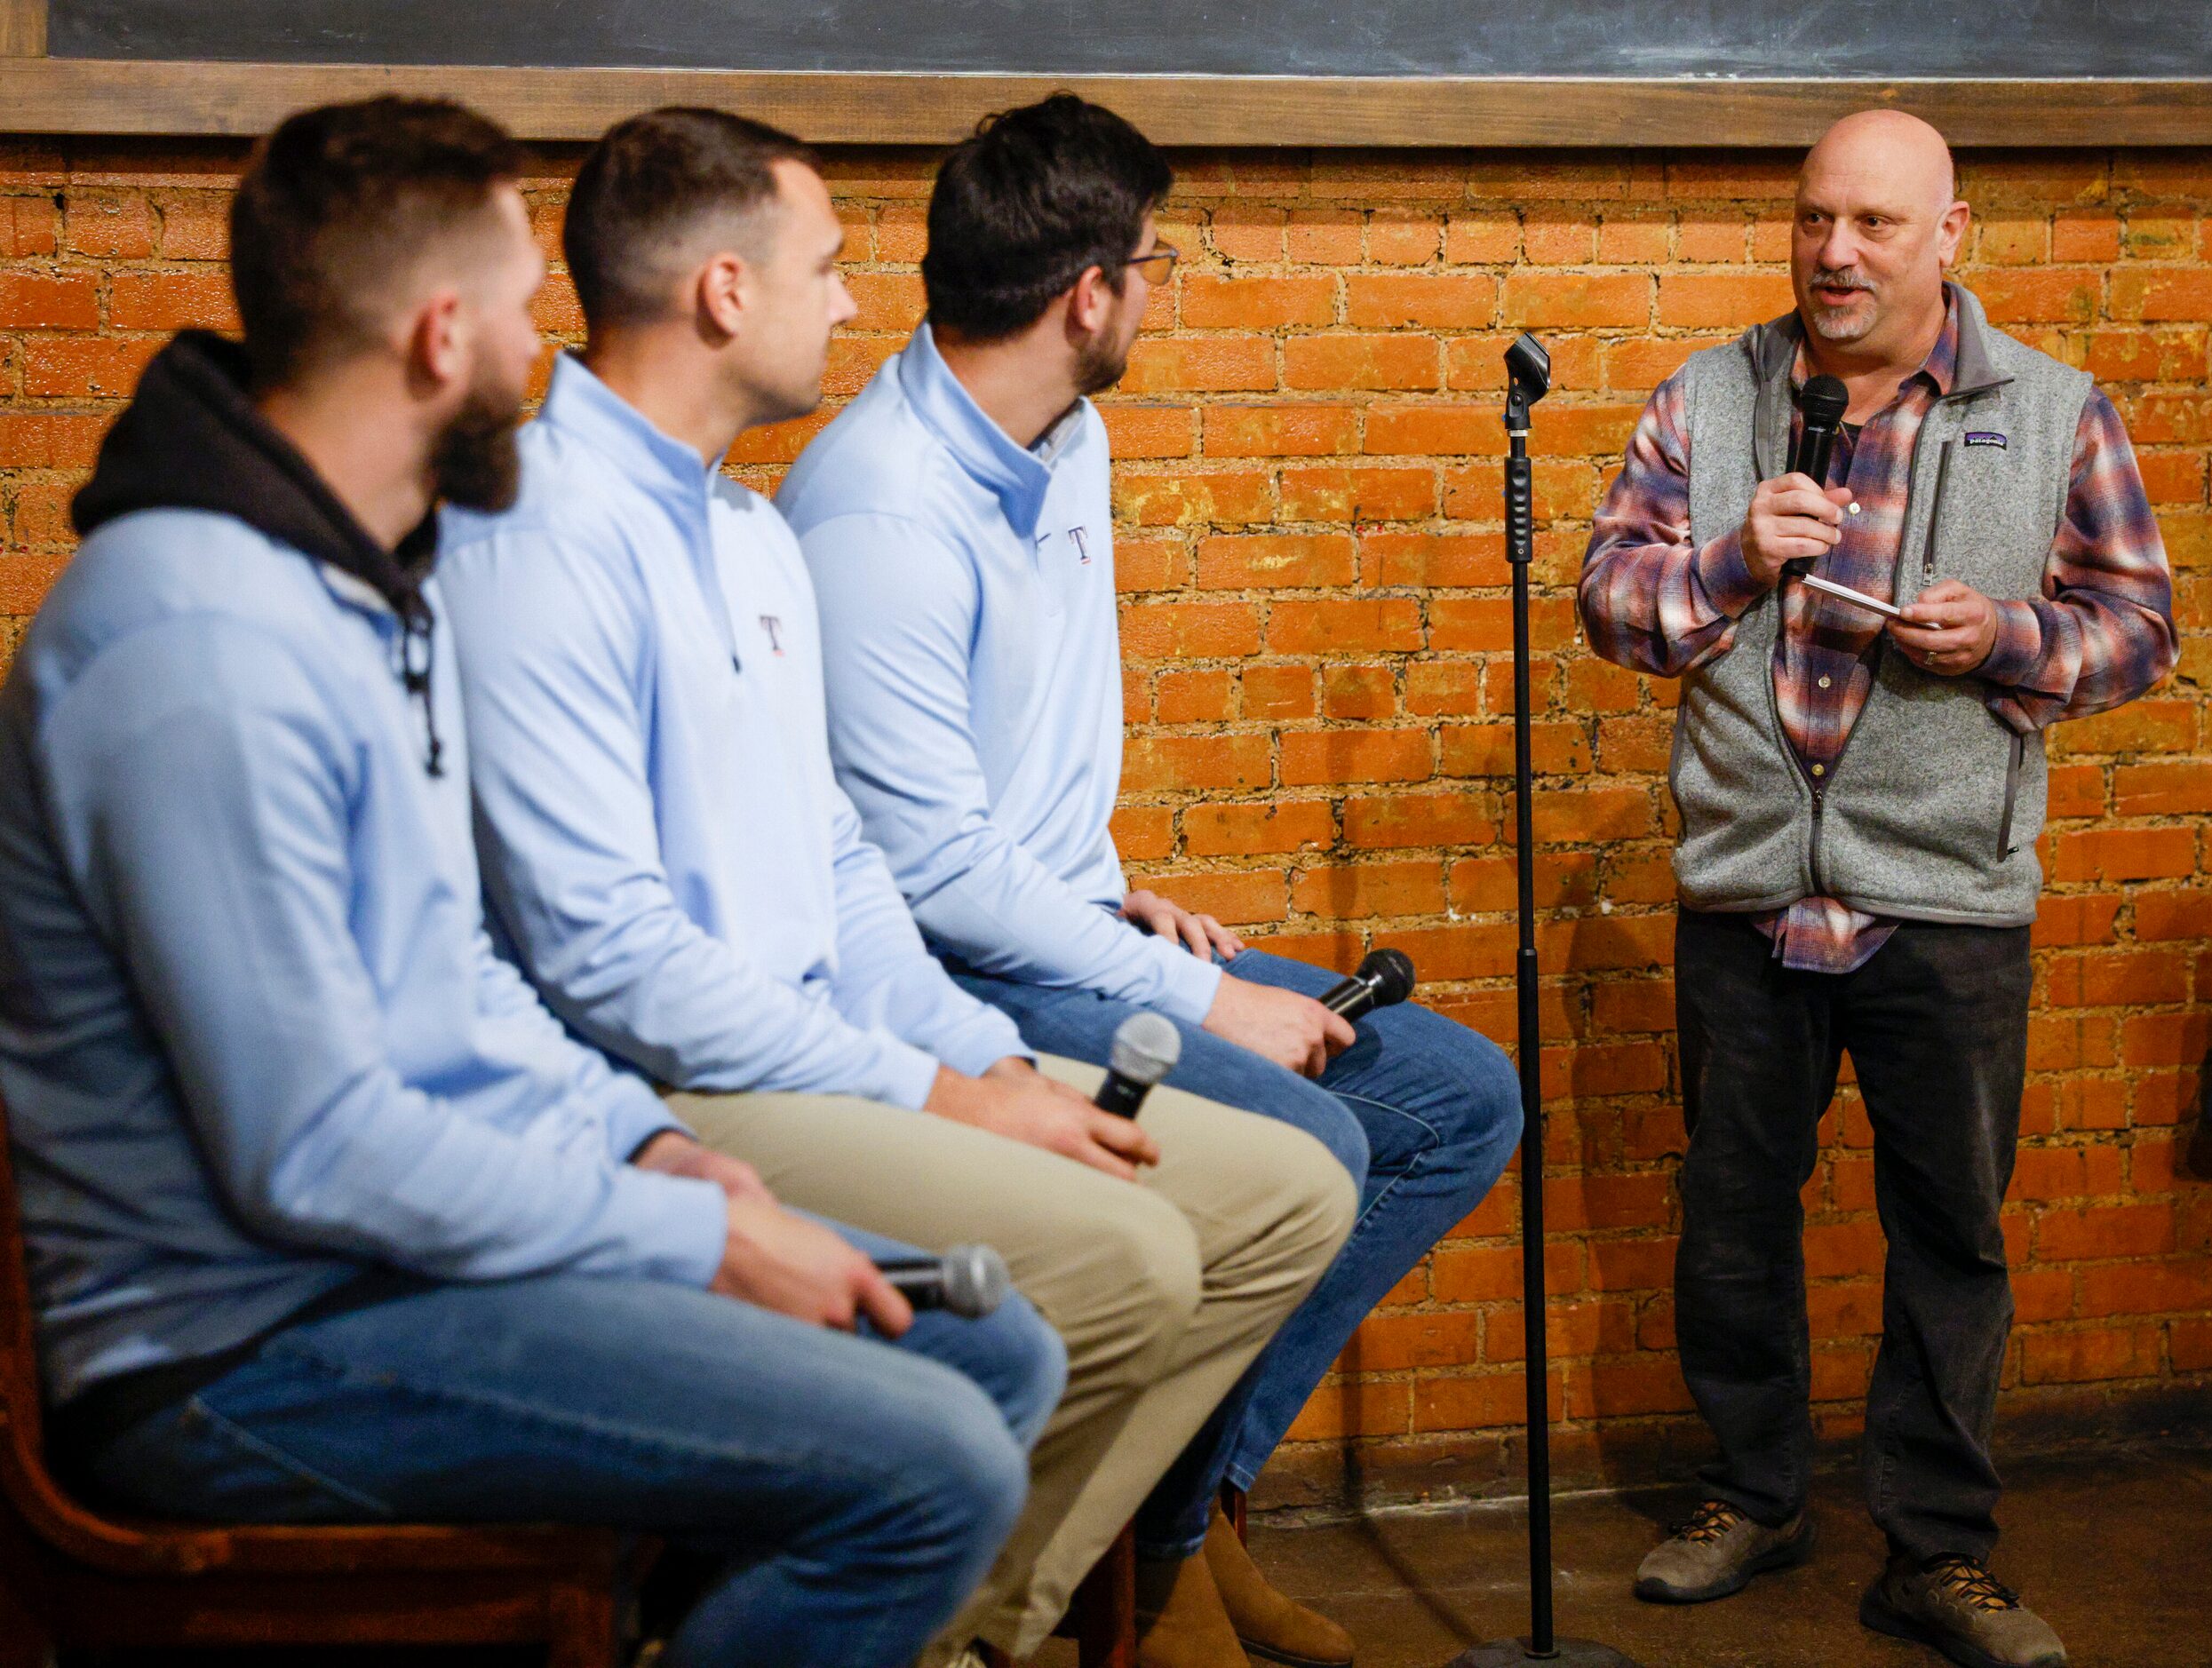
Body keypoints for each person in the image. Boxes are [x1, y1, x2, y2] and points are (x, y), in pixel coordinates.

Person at [0, 97, 1070, 1668]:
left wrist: (645, 1142)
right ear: (442, 335)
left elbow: (461, 984)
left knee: (988, 1349)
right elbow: (311, 1150)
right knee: (935, 1463)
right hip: (238, 1345)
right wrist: (684, 1235)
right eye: (519, 307)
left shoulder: (357, 580)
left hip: (372, 1268)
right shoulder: (200, 640)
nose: (546, 352)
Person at [436, 107, 1357, 1666]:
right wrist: (931, 1088)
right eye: (826, 268)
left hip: (832, 1051)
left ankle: (976, 1622)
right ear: (725, 291)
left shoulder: (742, 531)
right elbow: (613, 965)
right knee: (1137, 1257)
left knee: (1293, 1191)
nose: (855, 305)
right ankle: (920, 1626)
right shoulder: (538, 531)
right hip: (676, 1086)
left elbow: (850, 869)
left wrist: (977, 1058)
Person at [777, 92, 1524, 1668]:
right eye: (1153, 264)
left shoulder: (1069, 432)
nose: (1157, 293)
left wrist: (1123, 902)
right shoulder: (879, 509)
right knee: (1316, 1127)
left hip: (1065, 930)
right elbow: (930, 870)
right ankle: (1153, 1567)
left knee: (1458, 1094)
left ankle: (1187, 1522)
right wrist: (1198, 997)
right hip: (947, 972)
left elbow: (1029, 776)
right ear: (1089, 295)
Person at [1581, 110, 2175, 1668]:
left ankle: (1937, 1551)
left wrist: (2015, 644)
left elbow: (2140, 628)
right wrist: (1721, 565)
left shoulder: (2054, 410)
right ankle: (1754, 1491)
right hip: (1748, 892)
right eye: (1813, 219)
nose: (1835, 253)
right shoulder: (1710, 398)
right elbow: (1608, 597)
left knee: (1949, 1238)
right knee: (1732, 1221)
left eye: (1874, 226)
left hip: (1947, 901)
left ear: (1948, 236)